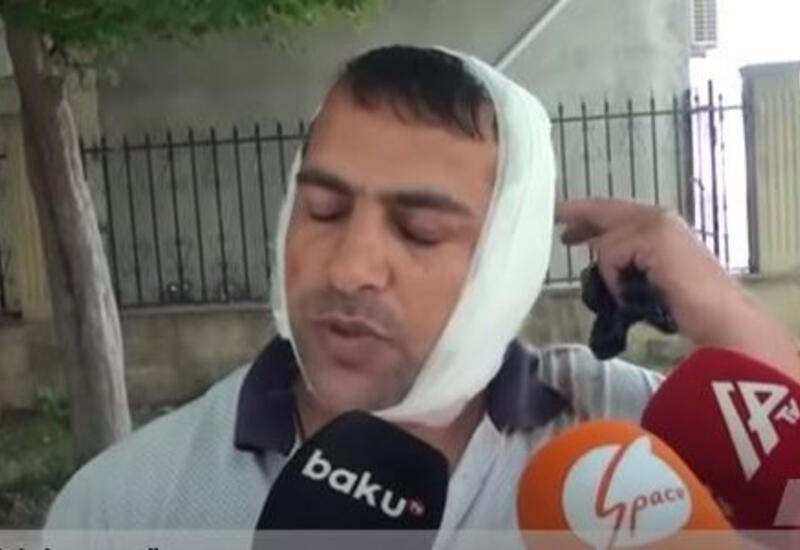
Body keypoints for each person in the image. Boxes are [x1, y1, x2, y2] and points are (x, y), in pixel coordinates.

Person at [45, 45, 800, 545]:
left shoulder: (638, 439)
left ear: (508, 260)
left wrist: (734, 320)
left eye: (419, 231)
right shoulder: (124, 507)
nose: (350, 269)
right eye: (323, 211)